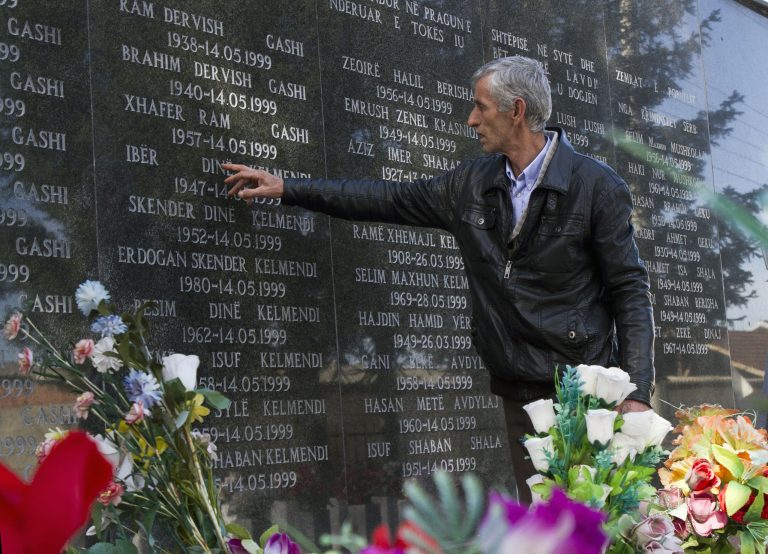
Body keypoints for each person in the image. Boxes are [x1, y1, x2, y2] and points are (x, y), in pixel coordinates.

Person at [223, 56, 655, 503]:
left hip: (586, 391)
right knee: (544, 521)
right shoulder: (470, 184)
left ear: (516, 110)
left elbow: (629, 290)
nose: (471, 120)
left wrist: (637, 391)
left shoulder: (596, 186)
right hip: (520, 390)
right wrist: (289, 188)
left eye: (480, 107)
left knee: (600, 520)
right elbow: (388, 199)